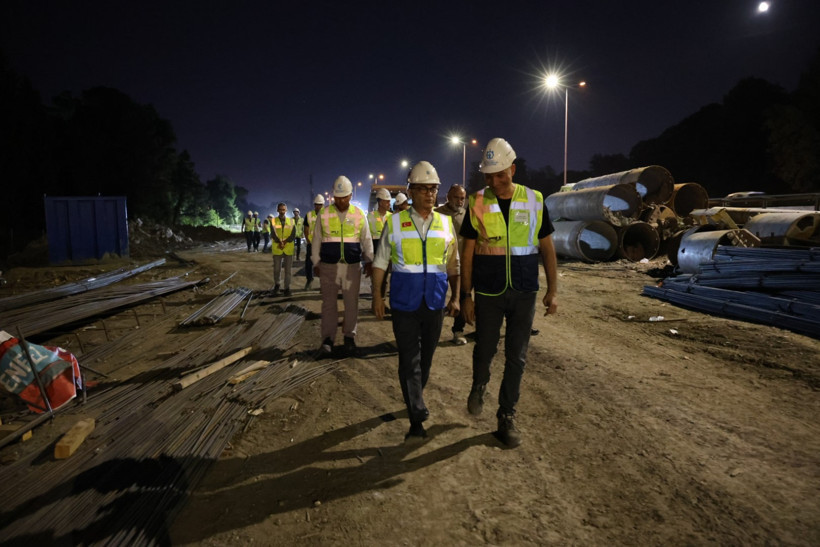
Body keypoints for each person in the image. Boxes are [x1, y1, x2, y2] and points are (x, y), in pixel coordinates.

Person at [460, 137, 558, 448]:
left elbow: (547, 247)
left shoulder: (534, 199)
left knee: (517, 356)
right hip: (489, 292)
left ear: (512, 170)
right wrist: (465, 296)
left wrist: (553, 290)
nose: (493, 182)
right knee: (485, 349)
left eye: (499, 174)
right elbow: (467, 252)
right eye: (488, 176)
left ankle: (506, 415)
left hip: (524, 291)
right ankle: (479, 384)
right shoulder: (476, 201)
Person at [372, 161, 460, 442]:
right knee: (409, 359)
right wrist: (377, 296)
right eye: (423, 189)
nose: (430, 194)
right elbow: (380, 263)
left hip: (434, 302)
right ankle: (416, 416)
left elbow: (453, 265)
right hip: (404, 304)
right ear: (411, 191)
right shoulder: (394, 223)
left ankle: (415, 398)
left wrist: (457, 297)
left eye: (433, 189)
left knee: (426, 359)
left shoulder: (446, 224)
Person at [311, 176, 373, 357]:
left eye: (344, 197)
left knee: (351, 304)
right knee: (329, 305)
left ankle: (349, 338)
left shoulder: (358, 214)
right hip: (328, 266)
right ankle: (327, 340)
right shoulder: (324, 214)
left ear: (350, 195)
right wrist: (316, 262)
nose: (341, 201)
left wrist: (369, 260)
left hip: (351, 267)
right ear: (333, 196)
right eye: (338, 197)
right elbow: (316, 239)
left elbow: (366, 238)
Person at [435, 184, 469, 345]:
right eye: (457, 197)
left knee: (461, 297)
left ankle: (458, 331)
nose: (460, 201)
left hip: (460, 266)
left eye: (462, 198)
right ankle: (431, 331)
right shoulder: (437, 214)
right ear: (448, 197)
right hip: (440, 264)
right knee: (437, 297)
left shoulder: (467, 215)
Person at [368, 187, 392, 301]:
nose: (389, 204)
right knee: (376, 278)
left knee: (385, 277)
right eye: (387, 201)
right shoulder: (370, 216)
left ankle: (381, 299)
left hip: (388, 251)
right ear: (381, 202)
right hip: (374, 249)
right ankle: (376, 299)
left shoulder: (392, 217)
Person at [271, 202, 295, 297]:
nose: (282, 211)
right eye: (280, 209)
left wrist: (284, 242)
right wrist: (279, 242)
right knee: (277, 269)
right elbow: (273, 233)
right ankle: (277, 284)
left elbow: (293, 235)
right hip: (277, 248)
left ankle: (287, 288)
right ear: (277, 210)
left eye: (283, 209)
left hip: (288, 248)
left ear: (286, 210)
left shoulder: (291, 221)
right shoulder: (273, 220)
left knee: (288, 271)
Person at [303, 194, 324, 290]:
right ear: (314, 205)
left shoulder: (326, 216)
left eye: (320, 204)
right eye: (317, 204)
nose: (318, 206)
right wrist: (308, 241)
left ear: (323, 205)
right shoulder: (309, 215)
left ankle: (323, 283)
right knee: (308, 263)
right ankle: (309, 280)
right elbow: (306, 230)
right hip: (311, 244)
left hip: (323, 244)